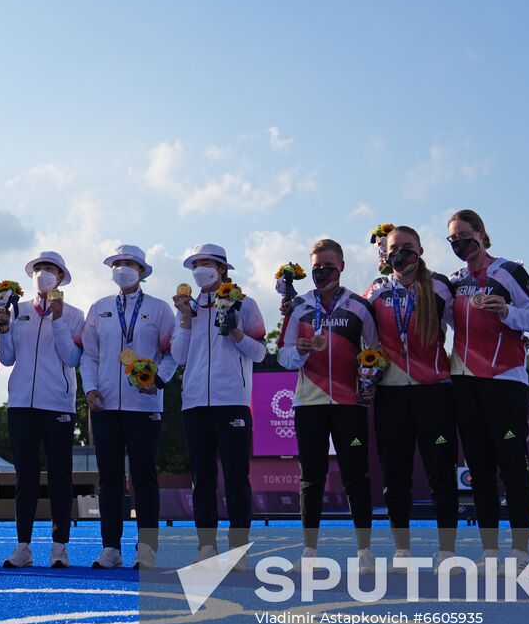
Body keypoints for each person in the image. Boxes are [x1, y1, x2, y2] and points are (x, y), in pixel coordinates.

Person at [447, 209, 529, 570]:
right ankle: (489, 550)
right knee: (479, 469)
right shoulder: (454, 281)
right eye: (453, 239)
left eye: (464, 235)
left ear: (481, 233)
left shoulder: (508, 271)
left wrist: (507, 312)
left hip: (505, 381)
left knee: (512, 467)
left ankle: (519, 550)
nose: (460, 243)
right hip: (465, 382)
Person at [278, 239, 379, 572]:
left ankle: (364, 553)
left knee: (355, 477)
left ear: (342, 267)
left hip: (349, 402)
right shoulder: (300, 307)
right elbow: (283, 356)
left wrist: (369, 377)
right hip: (309, 402)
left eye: (328, 267)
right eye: (316, 267)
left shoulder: (359, 307)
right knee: (311, 478)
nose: (322, 273)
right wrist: (302, 350)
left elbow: (374, 352)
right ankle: (309, 553)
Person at [364, 226, 459, 564]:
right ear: (384, 253)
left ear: (420, 250)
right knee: (396, 477)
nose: (400, 253)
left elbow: (466, 329)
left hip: (433, 390)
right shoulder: (376, 290)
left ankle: (447, 551)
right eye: (394, 248)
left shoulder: (439, 286)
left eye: (408, 247)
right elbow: (361, 336)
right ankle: (402, 549)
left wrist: (513, 339)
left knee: (442, 476)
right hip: (391, 395)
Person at [170, 243, 267, 566]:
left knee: (237, 477)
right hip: (195, 403)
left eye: (206, 263)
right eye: (195, 264)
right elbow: (179, 357)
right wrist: (185, 319)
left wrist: (237, 331)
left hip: (232, 402)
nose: (200, 269)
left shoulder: (245, 303)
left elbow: (260, 353)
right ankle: (206, 546)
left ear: (222, 269)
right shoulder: (188, 307)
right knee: (202, 478)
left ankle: (238, 547)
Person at [81, 244, 177, 570]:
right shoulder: (99, 308)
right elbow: (89, 355)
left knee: (144, 478)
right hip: (105, 405)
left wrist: (158, 381)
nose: (122, 268)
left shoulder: (161, 309)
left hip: (145, 403)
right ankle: (111, 548)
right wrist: (90, 388)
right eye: (117, 263)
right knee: (108, 480)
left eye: (129, 264)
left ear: (141, 271)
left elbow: (171, 353)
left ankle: (146, 548)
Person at [0, 251, 85, 569]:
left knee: (60, 477)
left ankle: (59, 546)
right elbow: (6, 359)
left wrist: (58, 320)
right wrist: (3, 330)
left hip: (58, 404)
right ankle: (23, 546)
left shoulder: (74, 315)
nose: (43, 273)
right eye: (39, 268)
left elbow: (72, 358)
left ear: (61, 277)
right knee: (26, 478)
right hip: (21, 404)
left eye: (50, 269)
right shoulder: (15, 311)